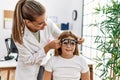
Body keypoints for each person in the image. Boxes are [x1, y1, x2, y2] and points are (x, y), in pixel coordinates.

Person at [12, 0, 84, 80]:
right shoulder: (19, 35)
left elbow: (60, 35)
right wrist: (48, 47)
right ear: (28, 22)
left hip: (44, 66)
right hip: (28, 72)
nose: (46, 24)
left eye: (46, 19)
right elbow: (29, 59)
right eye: (40, 23)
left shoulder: (47, 23)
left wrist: (75, 38)